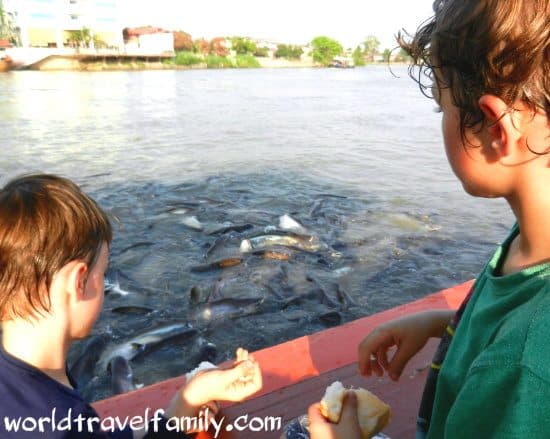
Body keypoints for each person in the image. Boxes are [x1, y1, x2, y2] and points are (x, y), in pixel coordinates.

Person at [309, 0, 550, 437]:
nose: (441, 120)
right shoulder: (532, 240)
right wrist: (448, 326)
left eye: (443, 108)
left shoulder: (524, 367)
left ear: (496, 132)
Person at [0, 174, 263, 438]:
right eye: (102, 274)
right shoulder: (63, 426)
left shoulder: (25, 386)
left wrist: (186, 403)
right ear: (78, 281)